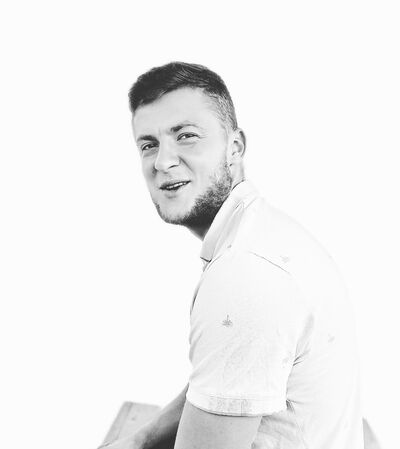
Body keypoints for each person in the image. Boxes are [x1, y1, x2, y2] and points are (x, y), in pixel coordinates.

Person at [102, 62, 365, 449]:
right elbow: (223, 380)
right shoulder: (264, 232)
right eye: (148, 145)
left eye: (186, 136)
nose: (162, 161)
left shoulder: (244, 275)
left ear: (235, 147)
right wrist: (139, 440)